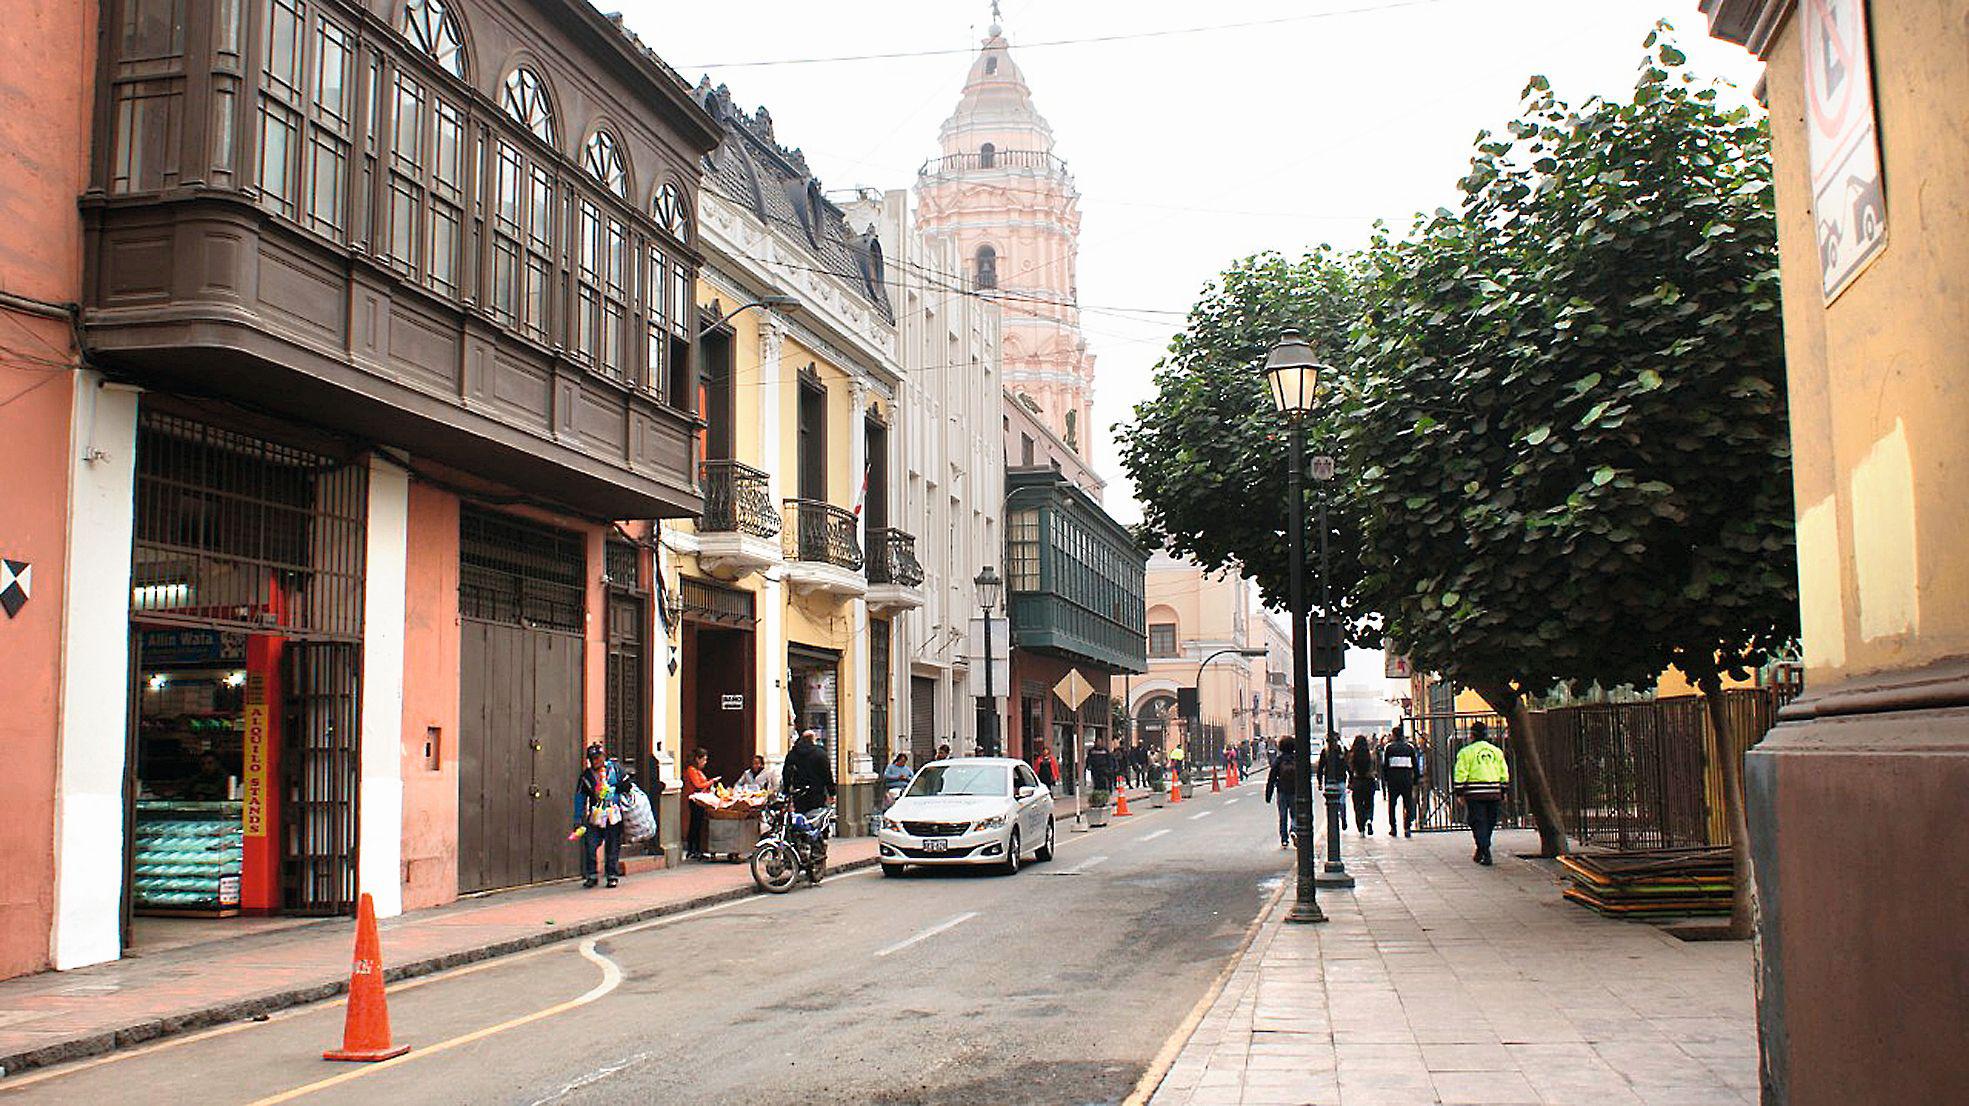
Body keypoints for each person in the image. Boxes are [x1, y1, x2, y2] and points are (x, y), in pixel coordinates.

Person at [1453, 721, 1510, 865]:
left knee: (1477, 822)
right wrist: (1503, 790)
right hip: (1494, 792)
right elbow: (1504, 772)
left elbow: (1461, 773)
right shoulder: (1496, 751)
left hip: (1475, 793)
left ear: (1471, 735)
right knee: (1490, 823)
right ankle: (1482, 848)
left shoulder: (1466, 752)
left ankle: (1485, 851)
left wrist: (1459, 792)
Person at [573, 743, 628, 888]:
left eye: (598, 758)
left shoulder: (615, 769)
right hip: (596, 815)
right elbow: (580, 797)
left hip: (613, 814)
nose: (596, 761)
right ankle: (592, 875)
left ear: (604, 757)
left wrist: (614, 790)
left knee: (612, 845)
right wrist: (578, 818)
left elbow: (627, 785)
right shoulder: (586, 776)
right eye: (593, 759)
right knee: (590, 844)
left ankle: (612, 875)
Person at [1381, 725, 1421, 837]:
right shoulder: (1409, 748)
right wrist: (1416, 779)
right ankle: (1407, 827)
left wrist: (1385, 780)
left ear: (1394, 735)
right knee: (1408, 804)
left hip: (1393, 780)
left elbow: (1385, 766)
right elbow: (1415, 765)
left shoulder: (1389, 748)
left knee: (1392, 805)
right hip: (1406, 779)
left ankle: (1393, 828)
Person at [783, 729, 835, 814]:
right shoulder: (820, 754)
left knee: (799, 816)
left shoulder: (792, 754)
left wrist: (786, 789)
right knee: (815, 817)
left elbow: (786, 773)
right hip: (816, 793)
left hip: (799, 793)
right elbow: (827, 775)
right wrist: (832, 792)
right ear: (813, 739)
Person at [681, 747, 717, 860]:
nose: (705, 762)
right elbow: (697, 785)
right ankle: (692, 850)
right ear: (697, 759)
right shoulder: (691, 770)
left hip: (700, 800)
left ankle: (697, 849)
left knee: (698, 824)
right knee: (695, 824)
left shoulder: (697, 771)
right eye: (704, 760)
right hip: (695, 800)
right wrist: (711, 782)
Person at [1264, 736, 1299, 848]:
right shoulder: (1297, 759)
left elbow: (1271, 778)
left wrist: (1268, 794)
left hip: (1282, 791)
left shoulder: (1278, 760)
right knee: (1295, 814)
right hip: (1295, 790)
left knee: (1283, 816)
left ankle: (1284, 839)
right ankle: (1294, 829)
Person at [1316, 734, 1350, 829]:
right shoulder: (1341, 751)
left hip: (1332, 781)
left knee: (1335, 802)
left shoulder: (1328, 752)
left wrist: (1320, 782)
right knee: (1341, 801)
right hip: (1339, 779)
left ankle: (1338, 819)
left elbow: (1320, 768)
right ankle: (1341, 818)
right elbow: (1347, 765)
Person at [1348, 735, 1378, 835]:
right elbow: (1375, 768)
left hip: (1357, 781)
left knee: (1358, 805)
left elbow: (1350, 769)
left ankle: (1361, 828)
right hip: (1369, 781)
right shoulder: (1371, 754)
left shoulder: (1352, 755)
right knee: (1369, 803)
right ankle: (1369, 819)